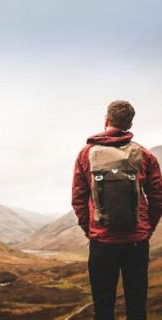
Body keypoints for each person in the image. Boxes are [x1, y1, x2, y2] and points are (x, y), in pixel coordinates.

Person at [71, 100, 162, 320]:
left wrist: (91, 229)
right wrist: (146, 229)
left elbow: (78, 199)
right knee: (136, 305)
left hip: (102, 242)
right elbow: (158, 198)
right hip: (136, 242)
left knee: (103, 307)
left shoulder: (86, 154)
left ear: (106, 120)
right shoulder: (145, 155)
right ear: (129, 124)